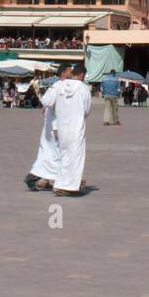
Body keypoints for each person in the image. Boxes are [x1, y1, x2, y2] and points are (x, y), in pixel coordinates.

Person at [43, 64, 92, 197]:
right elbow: (87, 110)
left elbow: (46, 100)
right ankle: (68, 186)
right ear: (82, 75)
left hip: (62, 128)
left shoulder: (60, 85)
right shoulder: (83, 88)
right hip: (76, 128)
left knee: (64, 157)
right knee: (75, 157)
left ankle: (60, 183)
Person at [26, 66, 69, 191]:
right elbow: (48, 103)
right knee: (52, 156)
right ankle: (33, 178)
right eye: (69, 71)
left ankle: (49, 179)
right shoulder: (57, 87)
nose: (71, 73)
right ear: (64, 73)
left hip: (52, 128)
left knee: (49, 156)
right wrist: (55, 127)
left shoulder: (60, 87)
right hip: (53, 129)